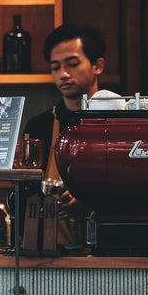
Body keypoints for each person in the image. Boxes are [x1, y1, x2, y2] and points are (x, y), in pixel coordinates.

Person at [22, 24, 106, 250]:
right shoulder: (39, 126)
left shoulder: (119, 122)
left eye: (72, 64)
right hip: (50, 252)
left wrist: (91, 203)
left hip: (109, 251)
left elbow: (133, 191)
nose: (63, 74)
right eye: (55, 67)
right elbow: (25, 194)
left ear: (98, 66)